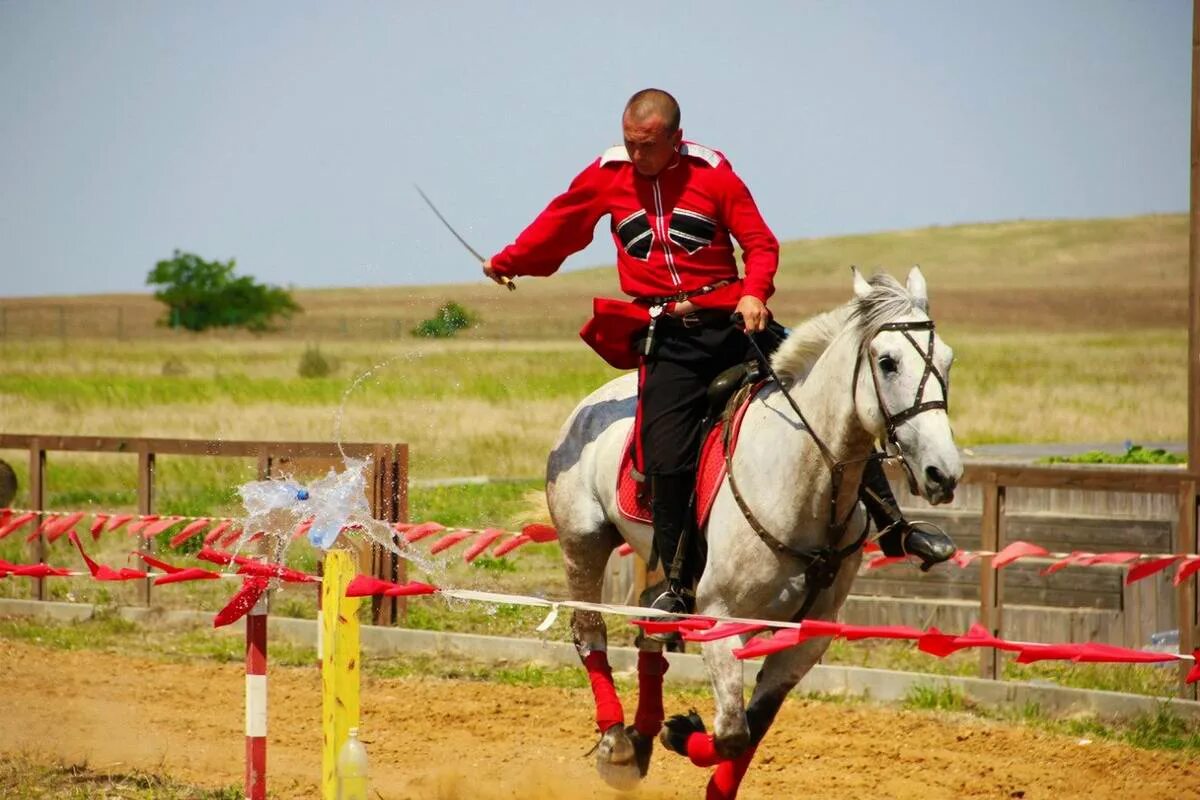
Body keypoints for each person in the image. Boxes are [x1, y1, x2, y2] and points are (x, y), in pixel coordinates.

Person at [484, 89, 954, 617]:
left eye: (648, 146)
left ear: (675, 140)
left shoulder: (714, 175)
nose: (637, 156)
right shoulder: (606, 176)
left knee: (830, 407)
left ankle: (896, 527)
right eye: (630, 144)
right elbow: (561, 227)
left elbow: (760, 243)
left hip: (734, 323)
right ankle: (678, 582)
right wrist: (510, 260)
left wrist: (755, 290)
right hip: (669, 339)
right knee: (664, 452)